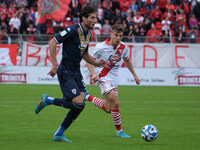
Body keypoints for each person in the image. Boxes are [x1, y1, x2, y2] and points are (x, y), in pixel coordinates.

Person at [34, 5, 108, 142]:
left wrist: (97, 63)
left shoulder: (89, 34)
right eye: (92, 18)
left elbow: (84, 54)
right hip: (66, 71)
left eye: (95, 18)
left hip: (76, 73)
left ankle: (58, 134)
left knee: (80, 106)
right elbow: (52, 42)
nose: (94, 21)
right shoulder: (72, 30)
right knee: (78, 103)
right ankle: (48, 100)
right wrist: (54, 64)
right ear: (84, 18)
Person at [85, 24, 140, 138]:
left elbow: (127, 60)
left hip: (114, 79)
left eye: (120, 36)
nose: (118, 38)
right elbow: (88, 61)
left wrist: (134, 75)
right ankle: (120, 131)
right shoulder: (100, 47)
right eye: (116, 35)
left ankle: (87, 97)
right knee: (116, 102)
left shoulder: (123, 47)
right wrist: (94, 74)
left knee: (109, 108)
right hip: (102, 77)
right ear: (111, 34)